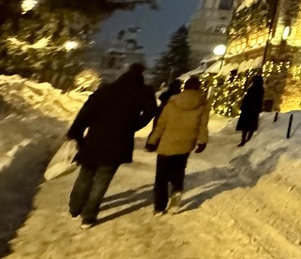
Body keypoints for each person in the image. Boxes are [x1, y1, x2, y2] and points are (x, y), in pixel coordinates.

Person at [67, 63, 157, 228]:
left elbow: (85, 113)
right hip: (119, 143)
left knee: (85, 175)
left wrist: (76, 133)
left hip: (94, 141)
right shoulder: (142, 93)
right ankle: (88, 217)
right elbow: (151, 111)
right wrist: (134, 125)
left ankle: (75, 208)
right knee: (102, 180)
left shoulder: (105, 90)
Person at [146, 75, 209, 215]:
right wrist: (202, 141)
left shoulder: (172, 103)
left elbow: (161, 125)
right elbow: (202, 126)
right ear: (198, 87)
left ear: (184, 87)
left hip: (167, 145)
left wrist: (152, 141)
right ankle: (176, 196)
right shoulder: (202, 105)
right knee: (178, 173)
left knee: (161, 178)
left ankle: (159, 207)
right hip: (186, 145)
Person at [236, 73, 265, 147]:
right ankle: (246, 139)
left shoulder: (256, 89)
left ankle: (245, 140)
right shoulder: (260, 89)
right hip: (252, 109)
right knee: (250, 126)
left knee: (247, 126)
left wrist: (245, 105)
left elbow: (251, 98)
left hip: (249, 109)